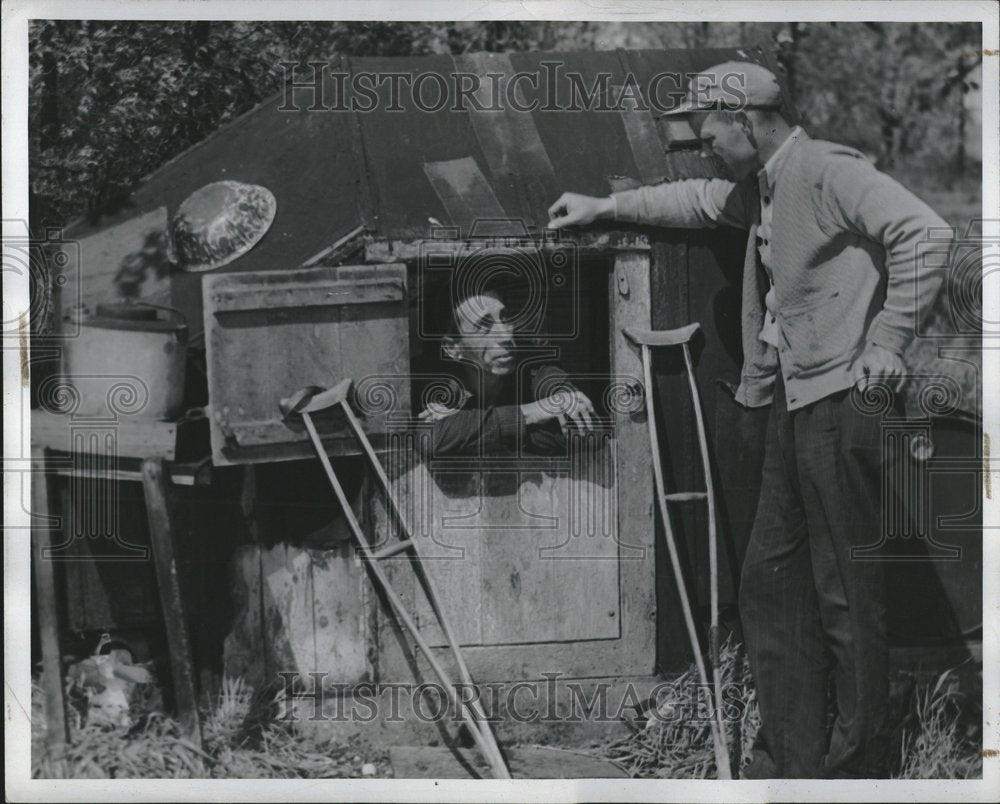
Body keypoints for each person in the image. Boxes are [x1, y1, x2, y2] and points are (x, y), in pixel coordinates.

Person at [547, 61, 952, 778]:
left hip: (843, 401)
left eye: (711, 134)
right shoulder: (763, 186)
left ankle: (854, 770)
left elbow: (927, 233)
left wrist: (888, 342)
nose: (708, 147)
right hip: (791, 403)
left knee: (844, 597)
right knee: (770, 582)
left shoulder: (827, 170)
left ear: (746, 120)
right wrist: (603, 207)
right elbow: (700, 200)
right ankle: (793, 760)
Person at [417, 281, 596, 456]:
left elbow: (584, 433)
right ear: (453, 348)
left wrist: (470, 432)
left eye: (505, 317)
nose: (505, 334)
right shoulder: (433, 377)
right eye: (483, 326)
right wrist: (530, 413)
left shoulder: (535, 361)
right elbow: (432, 438)